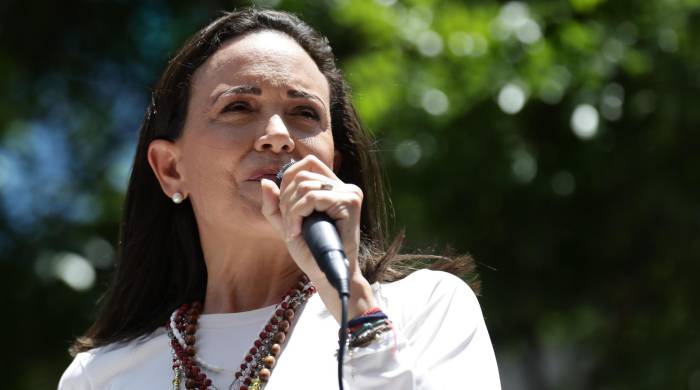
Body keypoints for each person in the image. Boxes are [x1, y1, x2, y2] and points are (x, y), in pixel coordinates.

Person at [58, 8, 501, 390]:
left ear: (335, 165)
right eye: (238, 108)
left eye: (304, 113)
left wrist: (352, 300)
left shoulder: (424, 309)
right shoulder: (101, 376)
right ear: (171, 169)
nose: (277, 137)